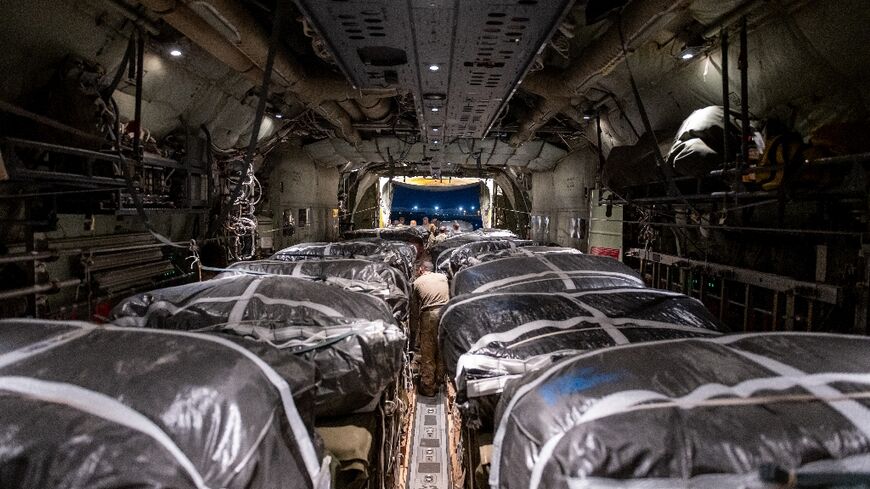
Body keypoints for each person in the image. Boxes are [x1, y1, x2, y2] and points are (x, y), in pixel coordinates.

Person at [410, 261, 449, 396]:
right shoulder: (443, 278)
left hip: (430, 315)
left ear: (421, 269)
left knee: (428, 351)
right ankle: (440, 380)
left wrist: (413, 332)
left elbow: (414, 311)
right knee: (442, 348)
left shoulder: (417, 283)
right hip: (446, 313)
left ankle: (428, 387)